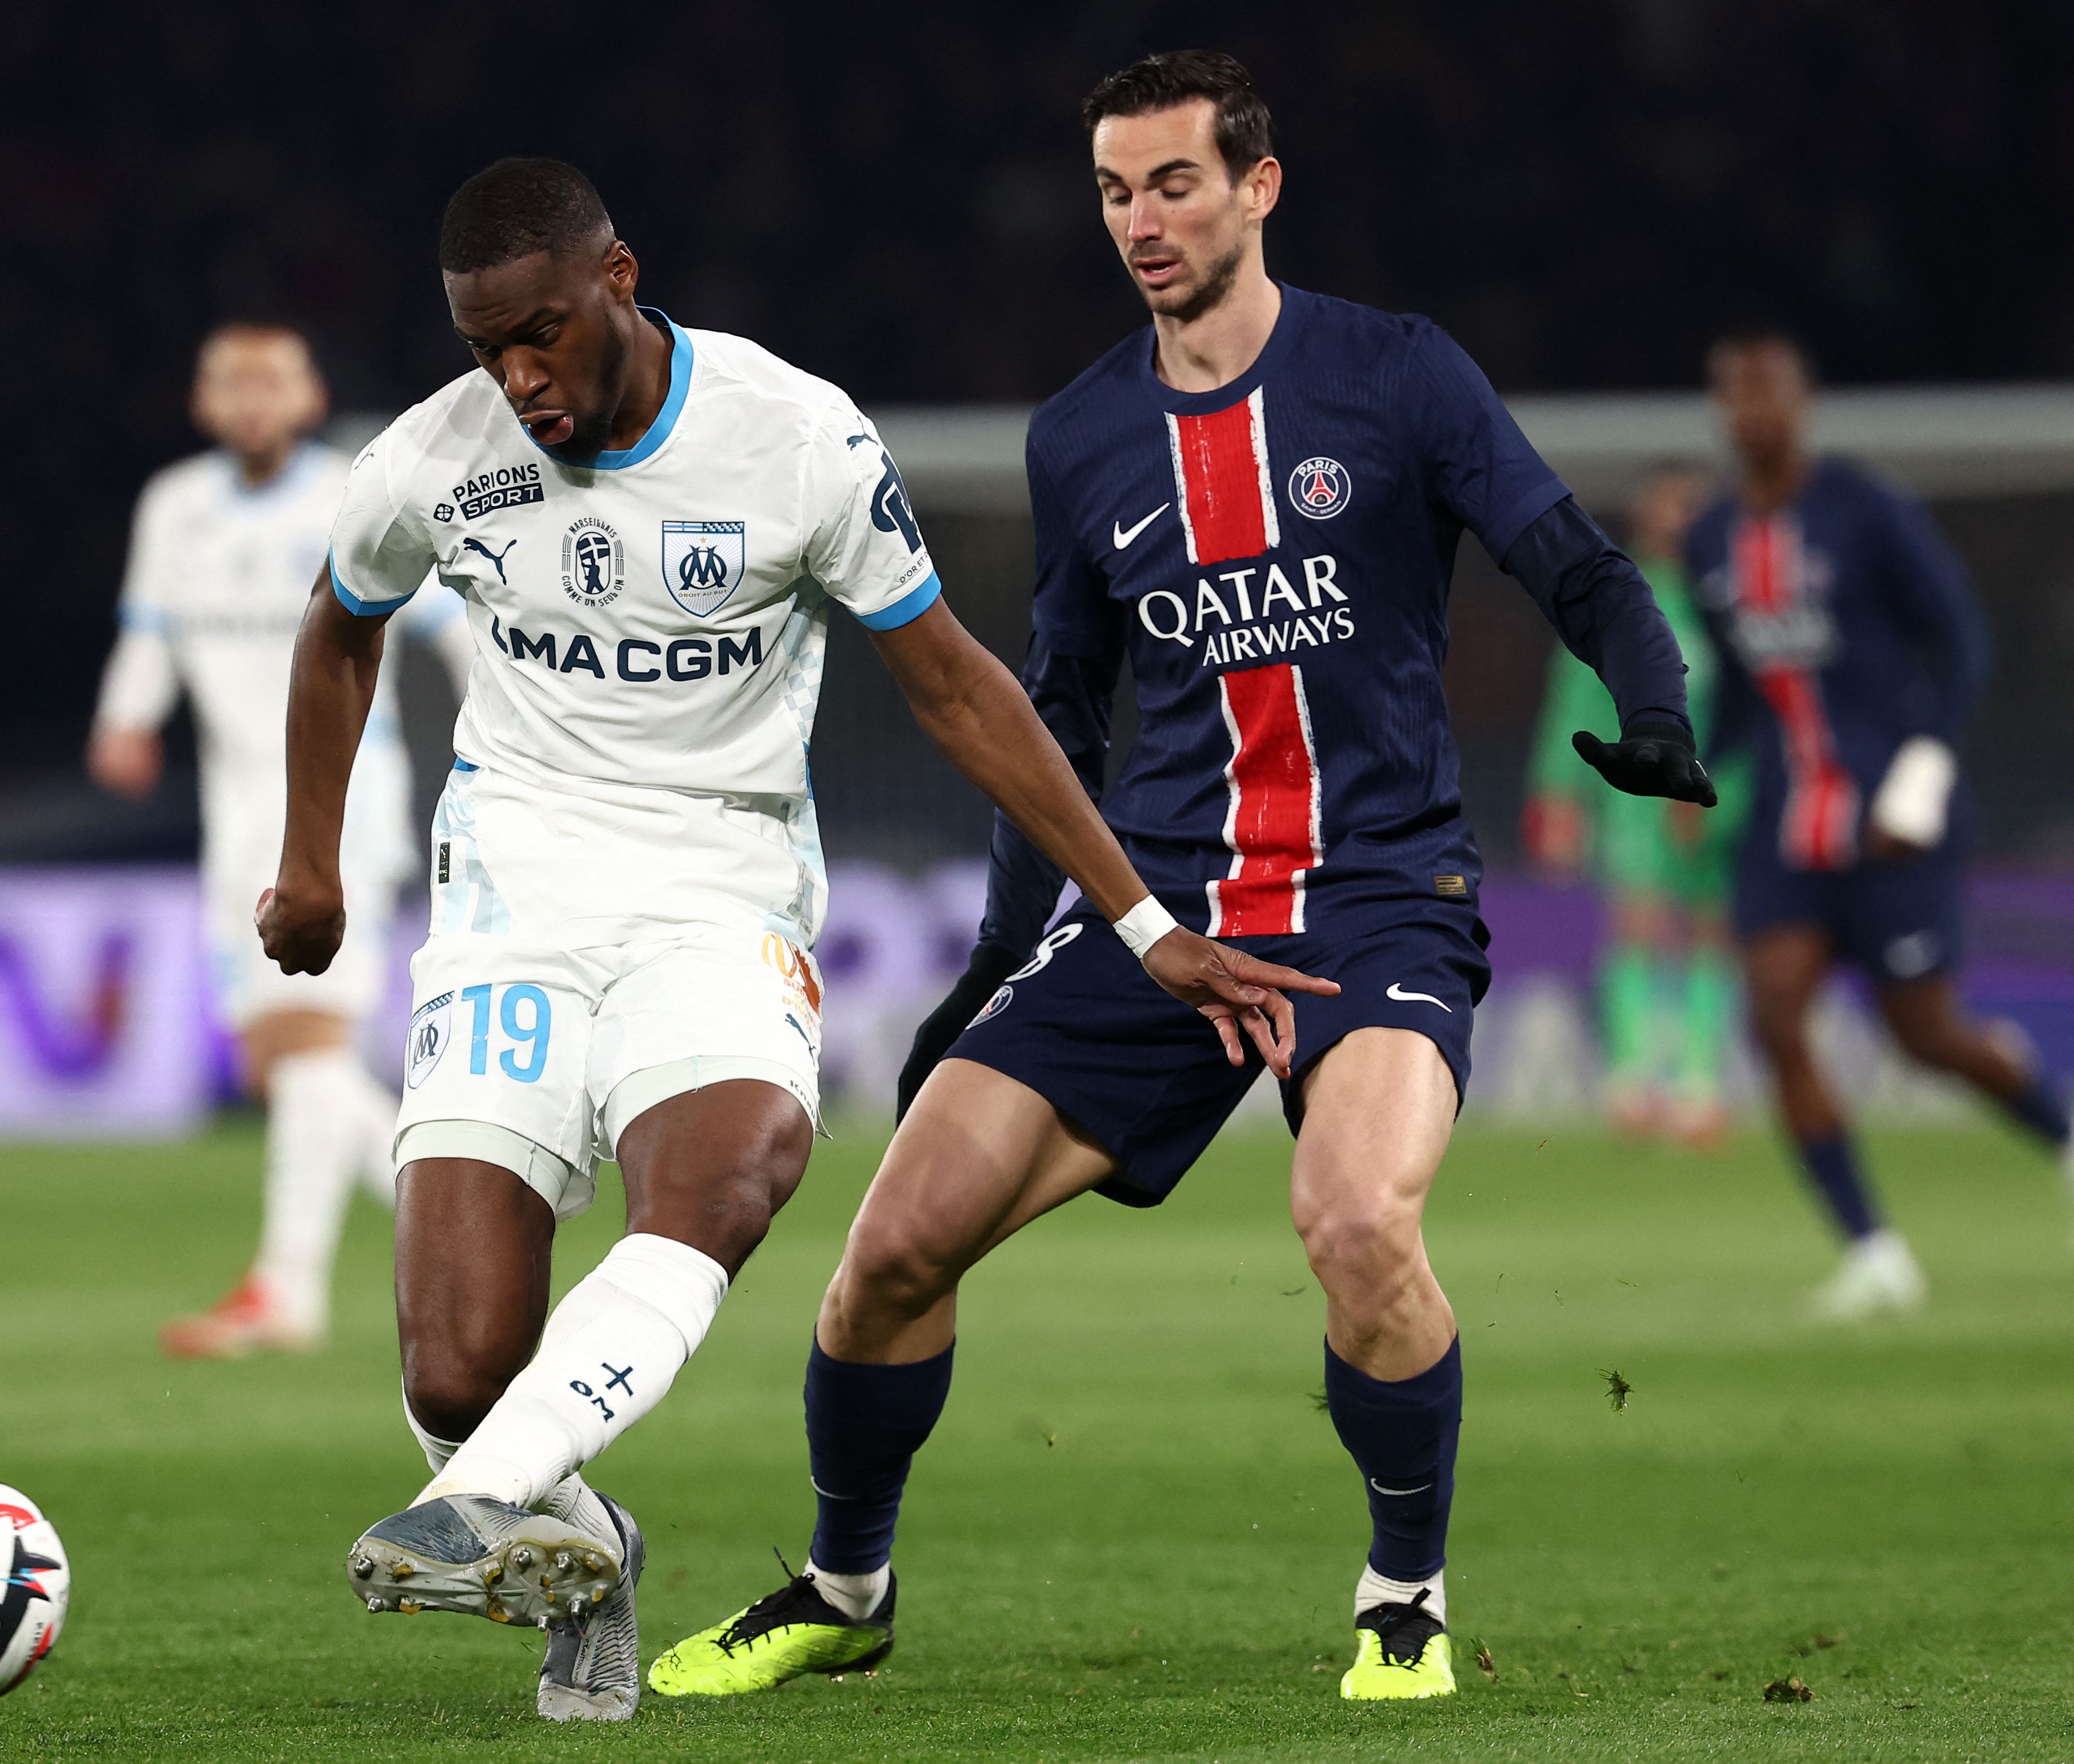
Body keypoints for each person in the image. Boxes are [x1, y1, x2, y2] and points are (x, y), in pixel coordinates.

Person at [647, 50, 1710, 1707]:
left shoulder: (1397, 375)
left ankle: (1403, 1595)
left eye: (1173, 185)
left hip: (1377, 896)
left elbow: (1565, 557)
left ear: (1258, 185)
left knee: (1356, 1220)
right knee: (892, 1249)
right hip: (1162, 918)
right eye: (1114, 193)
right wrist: (1002, 953)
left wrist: (1655, 704)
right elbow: (1048, 716)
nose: (1140, 222)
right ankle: (845, 1587)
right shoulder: (1082, 436)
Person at [254, 156, 1331, 1723]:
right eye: (490, 348)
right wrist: (308, 862)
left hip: (719, 890)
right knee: (450, 1369)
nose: (520, 378)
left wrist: (1143, 917)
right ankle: (573, 1532)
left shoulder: (794, 437)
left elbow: (955, 684)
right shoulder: (434, 456)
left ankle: (476, 1509)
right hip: (511, 907)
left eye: (542, 334)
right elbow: (339, 627)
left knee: (732, 1171)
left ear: (618, 275)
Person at [90, 322, 469, 1358]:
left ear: (307, 398)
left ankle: (290, 1288)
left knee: (309, 1046)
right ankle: (477, 1208)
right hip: (236, 816)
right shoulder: (174, 508)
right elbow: (150, 632)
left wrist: (508, 739)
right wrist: (125, 716)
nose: (252, 399)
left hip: (344, 798)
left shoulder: (354, 495)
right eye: (231, 382)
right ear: (205, 403)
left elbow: (451, 628)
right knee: (279, 1065)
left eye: (273, 380)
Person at [1687, 333, 2072, 1319]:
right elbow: (1738, 685)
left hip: (1892, 818)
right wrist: (1694, 771)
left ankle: (2061, 1136)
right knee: (1771, 1012)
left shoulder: (1864, 509)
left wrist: (1923, 769)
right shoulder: (1711, 537)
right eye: (1734, 394)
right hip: (1786, 823)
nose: (1750, 411)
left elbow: (1959, 641)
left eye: (1767, 390)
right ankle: (1872, 1251)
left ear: (1802, 404)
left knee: (1926, 1036)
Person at [1525, 468, 1740, 1143]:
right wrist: (1557, 792)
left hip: (1721, 791)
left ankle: (1698, 1086)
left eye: (1691, 505)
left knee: (1710, 928)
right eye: (1668, 506)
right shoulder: (1619, 595)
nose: (1679, 520)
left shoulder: (1730, 598)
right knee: (1637, 921)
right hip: (1635, 793)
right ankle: (1632, 1081)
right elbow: (1578, 695)